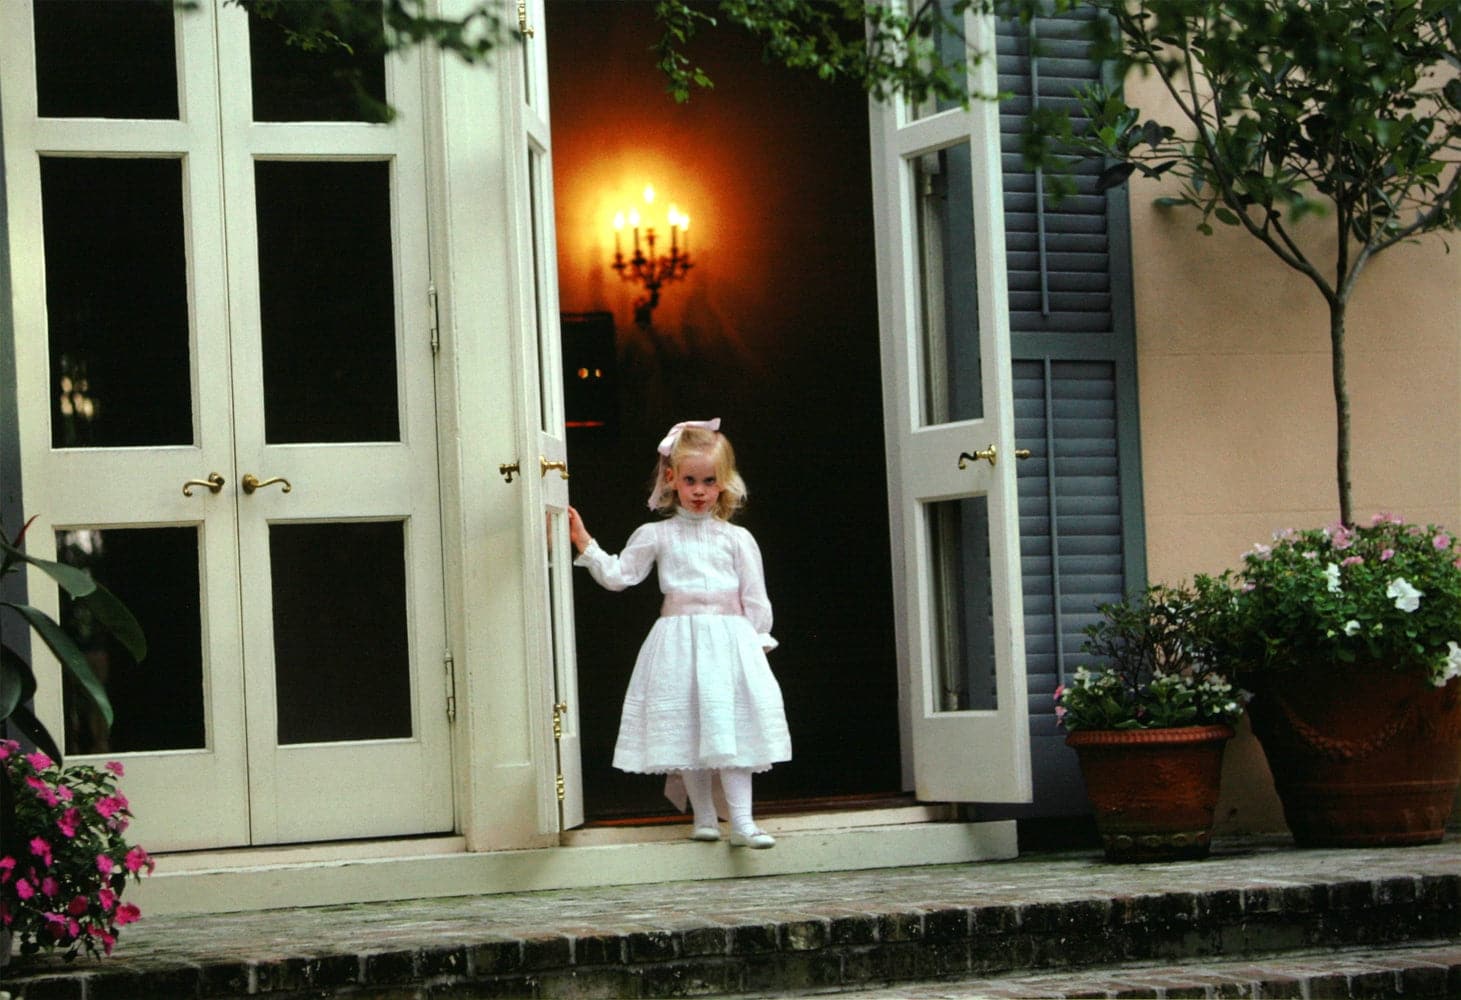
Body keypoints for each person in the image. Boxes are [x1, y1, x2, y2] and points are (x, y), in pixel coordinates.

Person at [567, 418, 790, 849]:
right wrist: (586, 544)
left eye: (710, 480)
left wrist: (757, 640)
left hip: (729, 643)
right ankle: (704, 816)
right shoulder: (657, 535)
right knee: (690, 726)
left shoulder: (738, 539)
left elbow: (755, 597)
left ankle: (742, 822)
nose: (700, 490)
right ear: (672, 479)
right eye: (691, 480)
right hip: (678, 642)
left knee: (731, 730)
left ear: (724, 483)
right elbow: (620, 575)